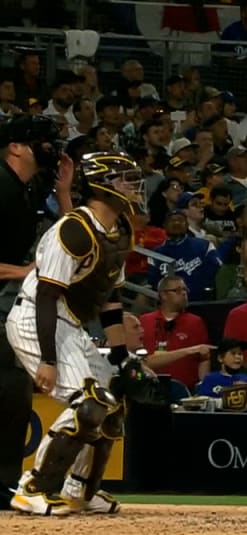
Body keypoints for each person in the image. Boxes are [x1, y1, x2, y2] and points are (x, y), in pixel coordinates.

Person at [6, 151, 147, 515]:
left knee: (112, 404)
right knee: (88, 402)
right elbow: (46, 294)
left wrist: (121, 355)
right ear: (103, 186)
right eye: (124, 181)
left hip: (68, 321)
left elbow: (109, 296)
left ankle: (80, 490)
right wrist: (48, 361)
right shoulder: (74, 229)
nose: (133, 187)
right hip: (36, 318)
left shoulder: (120, 232)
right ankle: (33, 487)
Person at [0, 115, 69, 509]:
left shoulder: (27, 188)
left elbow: (67, 241)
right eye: (40, 140)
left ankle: (4, 482)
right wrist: (23, 271)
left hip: (9, 306)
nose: (49, 146)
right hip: (6, 298)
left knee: (13, 395)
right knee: (8, 393)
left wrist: (62, 193)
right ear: (16, 147)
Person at [138, 274, 211, 389]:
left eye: (185, 290)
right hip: (148, 388)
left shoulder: (195, 322)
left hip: (185, 390)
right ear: (163, 295)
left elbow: (204, 358)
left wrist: (203, 387)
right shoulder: (144, 321)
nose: (183, 293)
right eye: (177, 290)